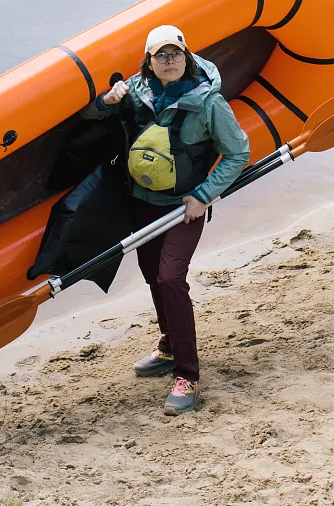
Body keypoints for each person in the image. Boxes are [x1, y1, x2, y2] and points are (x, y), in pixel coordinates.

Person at [78, 24, 249, 415]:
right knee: (153, 275)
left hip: (183, 206)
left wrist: (203, 196)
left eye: (175, 54)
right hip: (141, 202)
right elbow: (90, 114)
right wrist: (107, 99)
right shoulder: (136, 91)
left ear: (186, 57)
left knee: (172, 278)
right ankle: (170, 347)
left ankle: (188, 376)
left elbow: (238, 153)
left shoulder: (207, 103)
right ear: (149, 61)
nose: (169, 61)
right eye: (161, 55)